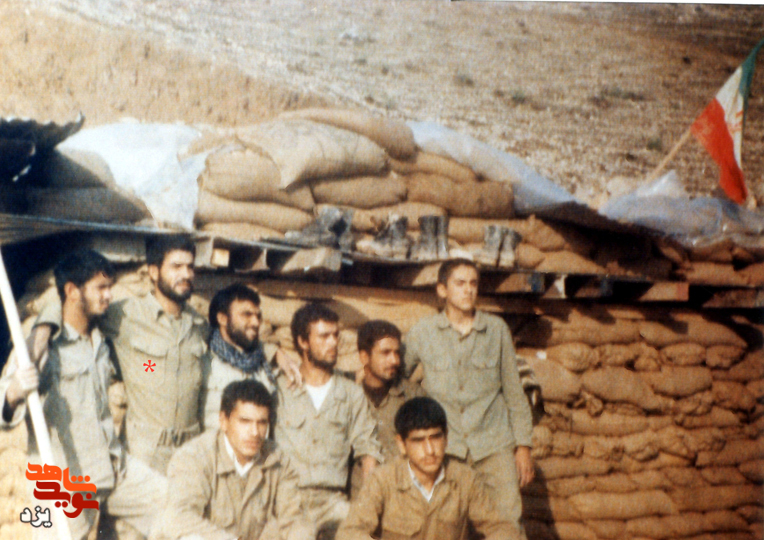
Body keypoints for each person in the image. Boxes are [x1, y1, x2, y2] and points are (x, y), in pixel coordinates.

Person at [0, 250, 167, 540]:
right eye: (100, 288)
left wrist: (151, 366)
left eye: (110, 287)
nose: (108, 296)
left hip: (112, 468)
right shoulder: (41, 346)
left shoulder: (102, 340)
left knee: (174, 504)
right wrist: (14, 392)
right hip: (65, 481)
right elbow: (4, 401)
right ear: (72, 291)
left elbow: (139, 366)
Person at [32, 235, 209, 474]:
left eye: (190, 266)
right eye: (176, 266)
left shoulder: (199, 324)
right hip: (146, 449)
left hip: (190, 447)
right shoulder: (125, 315)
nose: (186, 274)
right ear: (153, 272)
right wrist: (45, 326)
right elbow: (74, 303)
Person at [403, 258, 534, 537]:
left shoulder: (496, 330)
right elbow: (396, 376)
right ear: (442, 290)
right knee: (447, 526)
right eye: (460, 283)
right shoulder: (423, 332)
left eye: (473, 283)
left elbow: (514, 392)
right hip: (448, 449)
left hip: (494, 447)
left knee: (507, 524)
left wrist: (523, 446)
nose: (468, 290)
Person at [336, 397, 519, 540]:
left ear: (446, 438)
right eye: (418, 441)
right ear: (401, 444)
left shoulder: (465, 479)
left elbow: (503, 529)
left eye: (436, 438)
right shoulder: (383, 480)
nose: (430, 450)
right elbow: (349, 533)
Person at [274, 303, 382, 540]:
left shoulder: (351, 393)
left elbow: (368, 449)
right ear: (303, 342)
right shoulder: (278, 389)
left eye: (335, 335)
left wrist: (365, 506)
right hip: (289, 501)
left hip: (333, 501)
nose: (333, 343)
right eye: (324, 336)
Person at [154, 380, 310, 540]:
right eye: (245, 421)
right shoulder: (194, 457)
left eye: (262, 423)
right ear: (224, 421)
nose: (255, 432)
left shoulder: (277, 460)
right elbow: (178, 519)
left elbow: (294, 519)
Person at [201, 283, 295, 431]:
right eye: (246, 315)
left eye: (258, 316)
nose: (256, 323)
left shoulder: (265, 363)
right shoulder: (203, 360)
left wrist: (274, 352)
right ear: (223, 319)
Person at [349, 320, 424, 498]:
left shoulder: (413, 396)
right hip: (362, 494)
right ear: (364, 357)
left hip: (404, 493)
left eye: (397, 353)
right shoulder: (349, 396)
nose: (394, 360)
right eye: (385, 353)